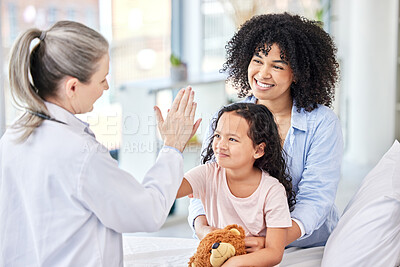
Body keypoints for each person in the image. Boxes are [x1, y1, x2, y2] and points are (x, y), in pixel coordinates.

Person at [0, 21, 201, 266]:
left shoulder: (12, 137)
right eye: (102, 79)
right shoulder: (79, 154)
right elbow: (147, 213)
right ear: (72, 87)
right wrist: (172, 147)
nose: (106, 87)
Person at [188, 12, 343, 249]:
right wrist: (203, 229)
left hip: (305, 245)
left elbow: (316, 199)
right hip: (238, 244)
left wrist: (271, 242)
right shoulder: (228, 116)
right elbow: (206, 181)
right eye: (257, 61)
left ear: (298, 73)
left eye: (277, 66)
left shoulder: (322, 123)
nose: (262, 73)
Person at [177, 103, 295, 266]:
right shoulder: (207, 173)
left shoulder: (272, 191)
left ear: (259, 150)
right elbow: (169, 191)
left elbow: (274, 253)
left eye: (232, 139)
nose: (220, 145)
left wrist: (233, 263)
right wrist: (174, 146)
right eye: (218, 136)